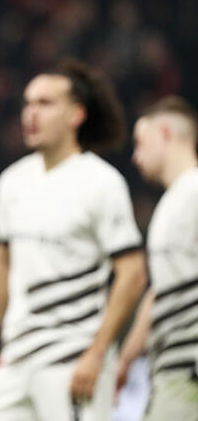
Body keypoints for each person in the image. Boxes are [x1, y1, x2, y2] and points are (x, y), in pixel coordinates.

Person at [0, 59, 148, 421]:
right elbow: (1, 262)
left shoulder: (102, 183)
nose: (31, 113)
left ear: (76, 115)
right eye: (28, 103)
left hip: (73, 358)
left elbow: (133, 272)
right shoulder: (12, 182)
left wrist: (97, 353)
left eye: (45, 103)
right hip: (16, 358)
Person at [116, 96, 198, 420]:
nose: (135, 155)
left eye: (140, 142)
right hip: (170, 370)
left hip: (188, 368)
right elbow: (160, 291)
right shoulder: (172, 202)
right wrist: (126, 358)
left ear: (165, 132)